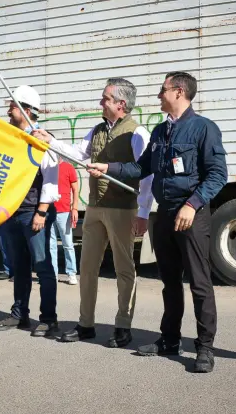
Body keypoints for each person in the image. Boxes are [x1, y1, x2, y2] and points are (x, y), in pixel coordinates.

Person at [87, 72, 227, 372]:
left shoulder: (204, 129)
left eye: (162, 91)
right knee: (170, 282)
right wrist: (107, 167)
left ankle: (204, 348)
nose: (158, 96)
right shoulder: (162, 131)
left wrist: (192, 204)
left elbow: (217, 175)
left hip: (191, 215)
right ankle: (169, 339)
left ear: (178, 92)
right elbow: (141, 167)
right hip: (164, 215)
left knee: (199, 283)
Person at [32, 78, 154, 348]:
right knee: (87, 268)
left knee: (124, 269)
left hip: (123, 208)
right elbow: (78, 153)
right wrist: (52, 141)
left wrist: (144, 211)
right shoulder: (98, 129)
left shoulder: (137, 133)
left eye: (106, 98)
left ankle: (123, 325)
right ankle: (85, 324)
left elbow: (147, 176)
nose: (101, 102)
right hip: (96, 207)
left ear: (121, 104)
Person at [0, 85, 60, 337]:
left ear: (26, 109)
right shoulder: (10, 138)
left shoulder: (41, 138)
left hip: (33, 212)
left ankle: (49, 319)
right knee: (19, 267)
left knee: (43, 267)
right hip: (11, 212)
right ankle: (20, 315)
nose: (9, 110)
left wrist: (41, 212)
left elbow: (51, 178)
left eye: (12, 106)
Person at [50, 157, 79, 285]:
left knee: (68, 244)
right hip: (48, 212)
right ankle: (53, 274)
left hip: (64, 211)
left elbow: (75, 189)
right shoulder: (47, 167)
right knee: (51, 246)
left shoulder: (68, 167)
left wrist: (75, 208)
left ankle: (71, 273)